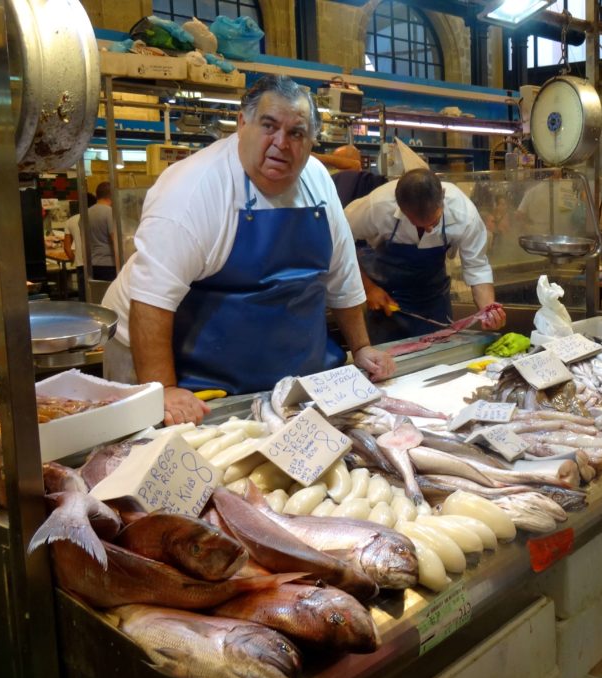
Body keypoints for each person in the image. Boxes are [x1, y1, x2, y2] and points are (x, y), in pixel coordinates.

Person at [102, 74, 395, 426]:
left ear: (312, 139)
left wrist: (361, 348)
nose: (281, 144)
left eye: (296, 133)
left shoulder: (317, 181)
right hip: (151, 352)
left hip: (258, 367)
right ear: (242, 123)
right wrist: (162, 387)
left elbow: (342, 274)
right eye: (268, 126)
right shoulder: (193, 190)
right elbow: (150, 300)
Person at [344, 167, 506, 344]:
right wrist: (368, 288)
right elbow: (339, 243)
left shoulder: (464, 213)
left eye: (434, 222)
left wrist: (488, 310)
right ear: (400, 206)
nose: (428, 229)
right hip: (386, 299)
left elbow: (477, 267)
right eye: (417, 224)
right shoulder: (378, 206)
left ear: (442, 199)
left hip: (433, 299)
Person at [62, 192, 95, 301]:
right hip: (97, 262)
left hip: (81, 263)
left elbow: (67, 248)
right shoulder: (95, 217)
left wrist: (74, 259)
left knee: (84, 297)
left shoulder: (70, 221)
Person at [87, 181, 117, 281]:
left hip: (91, 264)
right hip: (109, 264)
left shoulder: (86, 213)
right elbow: (115, 240)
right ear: (112, 195)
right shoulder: (109, 212)